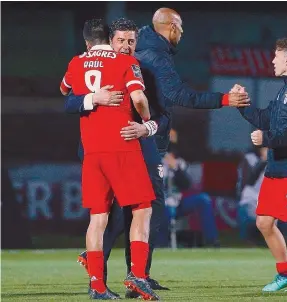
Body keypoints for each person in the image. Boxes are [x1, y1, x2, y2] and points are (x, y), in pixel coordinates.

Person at [66, 8, 249, 291]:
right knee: (144, 207)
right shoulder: (144, 58)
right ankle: (131, 275)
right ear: (172, 28)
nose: (127, 46)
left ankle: (116, 275)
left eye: (130, 41)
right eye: (121, 41)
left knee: (119, 210)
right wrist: (223, 100)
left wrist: (95, 100)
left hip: (105, 147)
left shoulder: (118, 55)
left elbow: (68, 94)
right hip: (128, 145)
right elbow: (169, 97)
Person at [60, 19, 159, 300]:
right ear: (110, 38)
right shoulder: (124, 62)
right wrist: (147, 120)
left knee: (97, 217)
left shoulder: (76, 62)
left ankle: (98, 286)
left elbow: (64, 90)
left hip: (92, 152)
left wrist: (90, 96)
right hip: (122, 146)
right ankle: (138, 275)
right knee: (142, 208)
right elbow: (138, 97)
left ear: (87, 42)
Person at [233, 38, 287, 292]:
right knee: (263, 222)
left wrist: (267, 139)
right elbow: (265, 117)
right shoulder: (286, 89)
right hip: (277, 167)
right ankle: (286, 273)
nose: (272, 60)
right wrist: (241, 104)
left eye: (276, 56)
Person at [161, 129, 219, 247]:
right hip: (160, 204)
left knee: (203, 199)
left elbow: (186, 185)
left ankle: (211, 241)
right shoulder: (154, 161)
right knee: (164, 211)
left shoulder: (179, 162)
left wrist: (176, 168)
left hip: (177, 203)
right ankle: (160, 244)